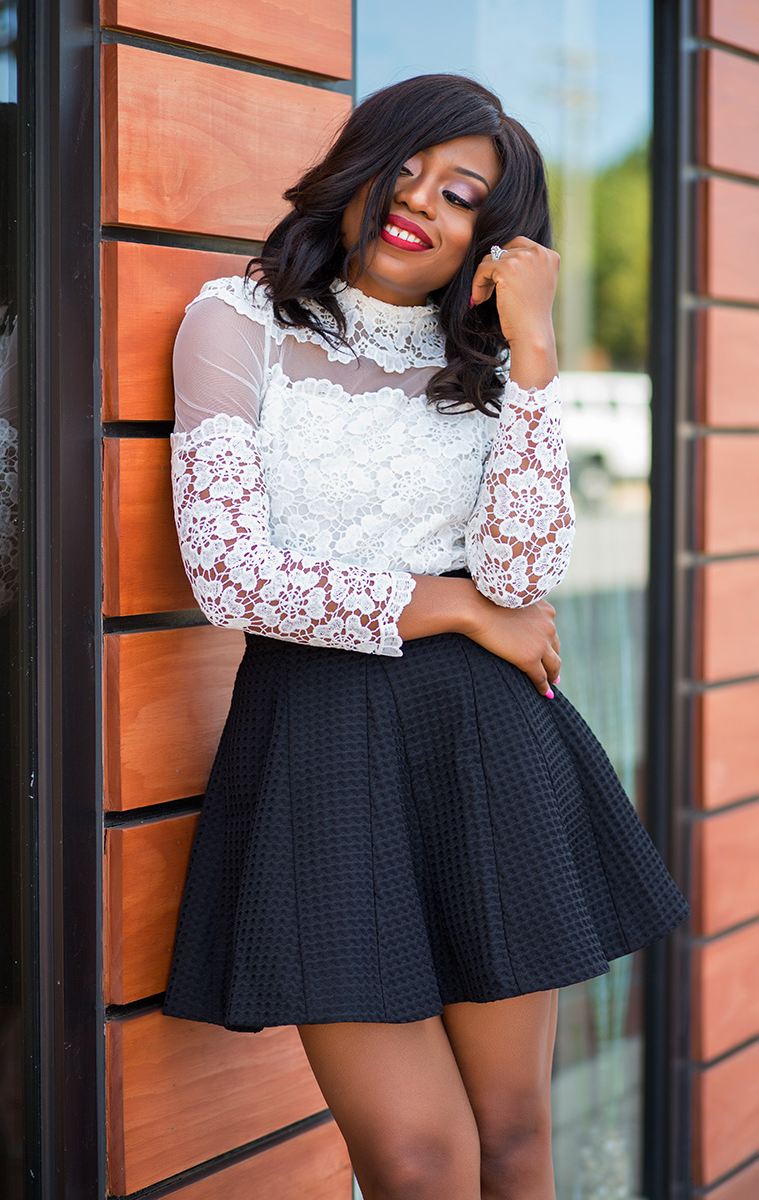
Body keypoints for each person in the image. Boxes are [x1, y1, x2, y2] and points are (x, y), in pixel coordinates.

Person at [162, 74, 690, 1200]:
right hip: (316, 745)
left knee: (512, 1138)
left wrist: (535, 361)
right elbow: (229, 576)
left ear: (491, 239)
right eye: (401, 168)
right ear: (355, 171)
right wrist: (449, 605)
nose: (417, 203)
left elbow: (522, 572)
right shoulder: (235, 321)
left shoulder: (490, 369)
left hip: (483, 752)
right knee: (416, 1161)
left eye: (458, 196)